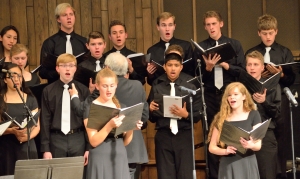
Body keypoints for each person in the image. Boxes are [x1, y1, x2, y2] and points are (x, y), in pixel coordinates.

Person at [192, 10, 245, 179]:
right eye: (208, 24)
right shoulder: (200, 47)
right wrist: (208, 69)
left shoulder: (234, 45)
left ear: (221, 24)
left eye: (214, 23)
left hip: (230, 97)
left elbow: (243, 72)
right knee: (212, 137)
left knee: (232, 135)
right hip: (210, 96)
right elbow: (196, 77)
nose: (211, 27)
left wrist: (225, 65)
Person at [245, 14, 296, 178]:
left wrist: (280, 75)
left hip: (277, 100)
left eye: (271, 33)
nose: (268, 36)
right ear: (259, 33)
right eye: (265, 33)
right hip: (255, 102)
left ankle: (279, 173)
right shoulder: (253, 53)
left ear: (276, 32)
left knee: (279, 139)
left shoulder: (284, 52)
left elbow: (292, 79)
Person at [220, 50, 281, 179]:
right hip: (242, 135)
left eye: (255, 64)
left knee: (267, 173)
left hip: (265, 135)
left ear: (262, 67)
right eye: (249, 64)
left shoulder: (273, 86)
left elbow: (277, 113)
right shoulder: (239, 87)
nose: (252, 68)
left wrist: (264, 102)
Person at [147, 52, 202, 179]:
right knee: (165, 174)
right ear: (165, 67)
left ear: (181, 67)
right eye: (170, 65)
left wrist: (186, 114)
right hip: (164, 135)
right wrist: (150, 109)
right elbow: (151, 117)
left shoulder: (190, 86)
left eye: (176, 65)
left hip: (184, 135)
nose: (173, 68)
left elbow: (199, 113)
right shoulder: (157, 85)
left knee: (185, 174)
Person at [84, 67, 140, 179]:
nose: (108, 90)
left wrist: (131, 127)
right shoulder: (90, 107)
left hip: (119, 155)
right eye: (105, 86)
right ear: (97, 86)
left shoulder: (121, 107)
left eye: (111, 85)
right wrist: (109, 125)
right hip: (99, 155)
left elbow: (125, 142)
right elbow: (93, 141)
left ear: (116, 85)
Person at [104, 52, 149, 179]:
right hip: (133, 147)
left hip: (108, 145)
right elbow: (144, 116)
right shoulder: (137, 86)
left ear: (107, 68)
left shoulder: (103, 88)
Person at [40, 54, 90, 167]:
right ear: (57, 69)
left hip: (78, 138)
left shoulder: (83, 90)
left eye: (71, 65)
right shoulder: (48, 91)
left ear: (75, 69)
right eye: (63, 66)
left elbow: (88, 119)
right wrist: (45, 149)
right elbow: (45, 120)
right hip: (56, 140)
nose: (67, 69)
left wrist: (88, 147)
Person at [208, 82, 261, 178]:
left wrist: (250, 145)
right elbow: (212, 147)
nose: (232, 97)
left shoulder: (253, 115)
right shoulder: (222, 118)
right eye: (229, 95)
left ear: (244, 97)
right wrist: (225, 151)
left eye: (236, 94)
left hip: (247, 162)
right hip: (229, 164)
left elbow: (258, 145)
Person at [0, 63, 40, 176]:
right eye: (12, 76)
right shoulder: (1, 99)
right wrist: (12, 131)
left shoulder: (30, 98)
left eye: (19, 76)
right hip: (7, 147)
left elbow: (37, 125)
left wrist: (26, 137)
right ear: (5, 80)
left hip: (27, 146)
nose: (16, 79)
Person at [39, 3, 87, 84]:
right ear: (58, 19)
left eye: (71, 14)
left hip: (80, 87)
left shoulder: (83, 42)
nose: (69, 17)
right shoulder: (50, 43)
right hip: (56, 88)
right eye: (64, 15)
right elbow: (42, 72)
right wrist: (60, 72)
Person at [146, 12, 194, 86]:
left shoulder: (186, 46)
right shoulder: (152, 51)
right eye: (163, 25)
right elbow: (150, 82)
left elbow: (192, 73)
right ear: (158, 27)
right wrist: (150, 74)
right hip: (161, 89)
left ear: (174, 26)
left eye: (170, 25)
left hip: (182, 88)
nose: (167, 29)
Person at [104, 20, 146, 85]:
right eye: (114, 33)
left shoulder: (135, 57)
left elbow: (142, 82)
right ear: (110, 37)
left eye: (121, 32)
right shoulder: (105, 57)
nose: (118, 35)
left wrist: (131, 70)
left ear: (126, 35)